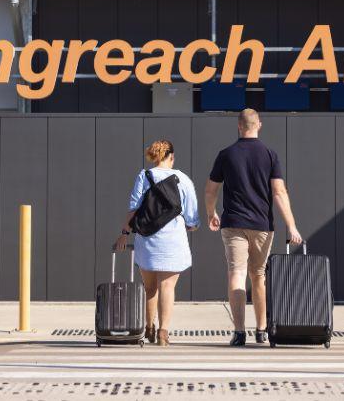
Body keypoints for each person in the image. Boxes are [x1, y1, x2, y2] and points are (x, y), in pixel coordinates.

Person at [205, 109, 302, 347]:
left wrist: (211, 213)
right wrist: (292, 225)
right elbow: (279, 192)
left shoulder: (226, 155)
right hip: (262, 225)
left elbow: (211, 190)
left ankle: (239, 332)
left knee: (236, 274)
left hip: (234, 224)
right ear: (259, 124)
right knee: (258, 276)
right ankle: (261, 330)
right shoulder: (269, 154)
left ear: (239, 126)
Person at [115, 140, 199, 347]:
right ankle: (163, 333)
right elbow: (192, 216)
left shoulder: (143, 176)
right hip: (173, 239)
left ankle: (149, 327)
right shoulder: (182, 179)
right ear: (171, 156)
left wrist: (124, 233)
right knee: (167, 286)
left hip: (147, 239)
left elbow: (133, 209)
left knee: (150, 287)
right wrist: (192, 225)